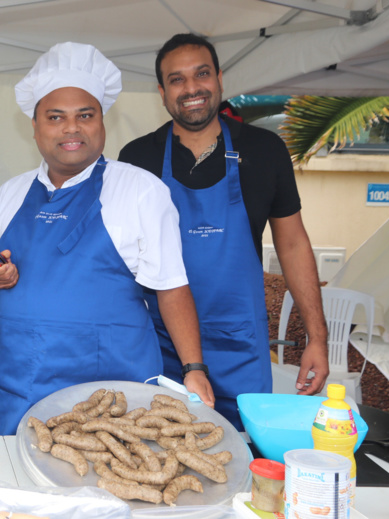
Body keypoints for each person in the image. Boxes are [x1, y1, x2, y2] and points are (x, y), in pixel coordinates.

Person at [0, 42, 214, 436]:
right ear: (34, 127)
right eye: (55, 117)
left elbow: (171, 285)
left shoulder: (139, 190)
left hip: (109, 398)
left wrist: (194, 368)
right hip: (18, 390)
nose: (71, 128)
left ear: (102, 122)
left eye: (86, 115)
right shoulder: (9, 195)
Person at [118, 33, 329, 429]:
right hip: (160, 348)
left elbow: (293, 244)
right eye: (177, 80)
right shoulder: (137, 158)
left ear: (219, 78)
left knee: (239, 459)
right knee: (159, 459)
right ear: (162, 93)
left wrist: (317, 338)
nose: (192, 88)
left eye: (201, 74)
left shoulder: (266, 151)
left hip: (241, 346)